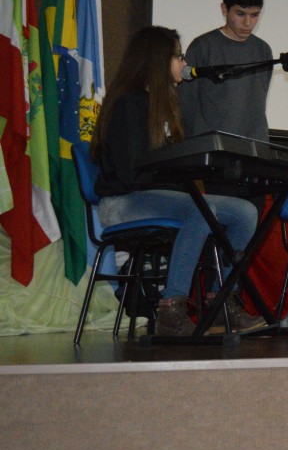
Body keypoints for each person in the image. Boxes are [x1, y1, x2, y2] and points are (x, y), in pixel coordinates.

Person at [91, 26, 265, 336]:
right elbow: (131, 174)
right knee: (200, 209)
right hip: (122, 201)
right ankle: (171, 309)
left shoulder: (166, 106)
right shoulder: (129, 104)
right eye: (178, 56)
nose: (184, 63)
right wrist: (178, 177)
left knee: (246, 212)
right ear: (158, 60)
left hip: (152, 196)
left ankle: (221, 301)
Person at [178, 0, 273, 204]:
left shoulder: (263, 51)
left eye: (254, 15)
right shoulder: (203, 47)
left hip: (255, 156)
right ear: (224, 9)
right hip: (218, 157)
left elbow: (257, 101)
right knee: (224, 220)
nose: (247, 23)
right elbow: (186, 105)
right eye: (240, 14)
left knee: (254, 220)